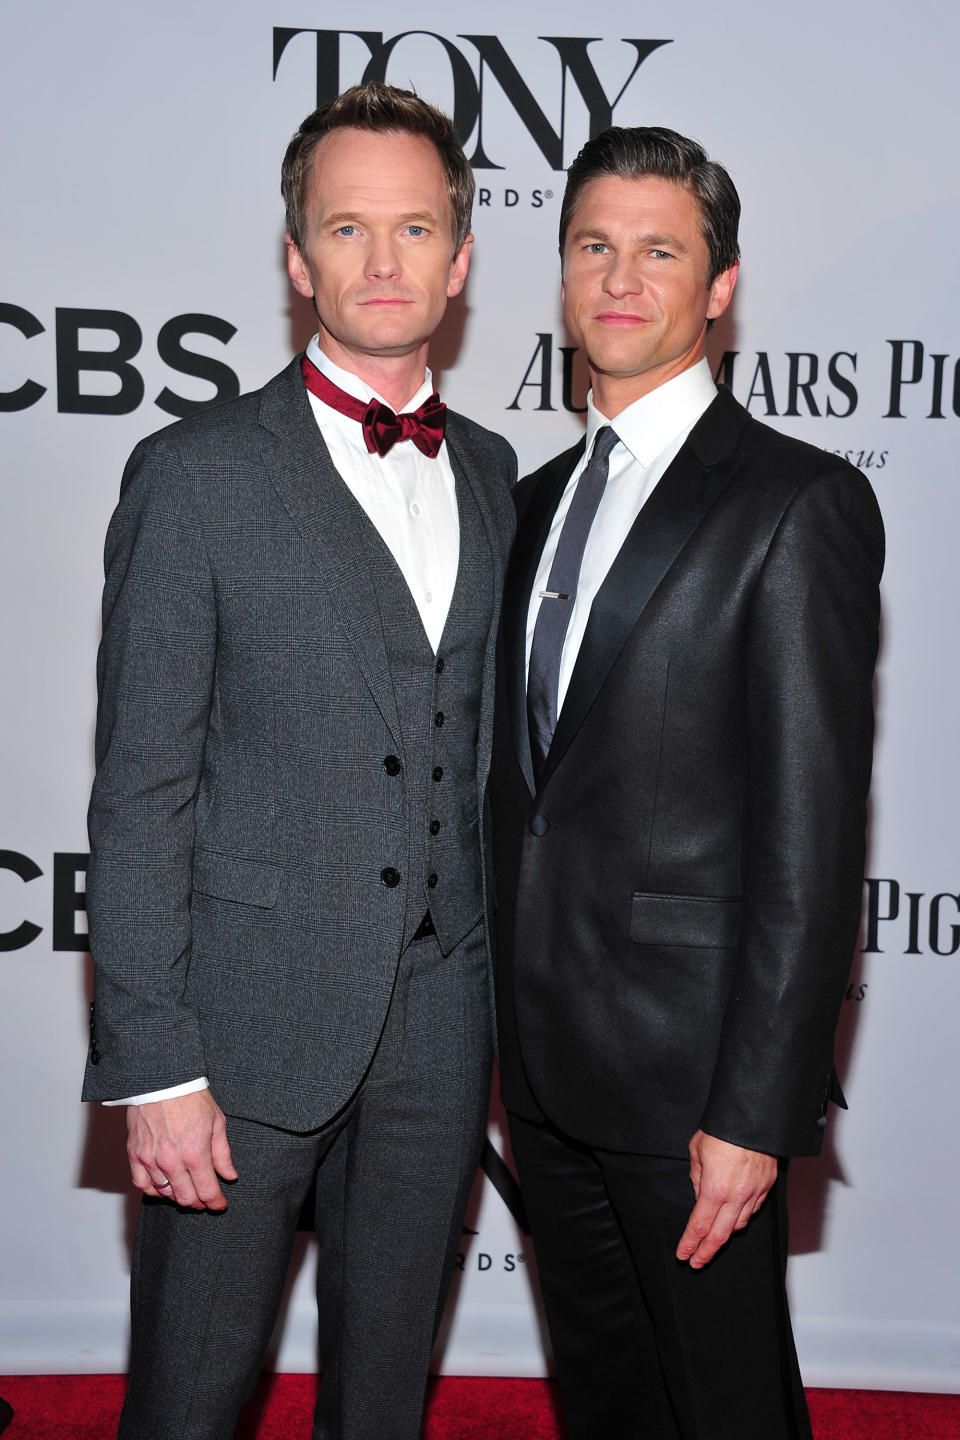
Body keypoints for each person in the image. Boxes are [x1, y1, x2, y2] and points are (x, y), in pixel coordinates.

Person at [82, 82, 516, 1440]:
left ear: (459, 259)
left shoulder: (504, 476)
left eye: (414, 229)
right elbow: (140, 791)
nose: (382, 263)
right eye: (347, 228)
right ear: (295, 257)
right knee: (190, 1402)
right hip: (243, 1034)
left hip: (444, 1032)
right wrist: (152, 1065)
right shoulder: (194, 473)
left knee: (383, 1403)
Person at [490, 125, 883, 1440]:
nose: (619, 278)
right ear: (560, 275)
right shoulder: (529, 502)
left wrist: (756, 1106)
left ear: (719, 288)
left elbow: (810, 835)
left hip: (690, 1084)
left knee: (725, 1410)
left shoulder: (793, 503)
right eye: (592, 247)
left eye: (659, 251)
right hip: (542, 1074)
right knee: (606, 1403)